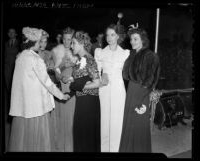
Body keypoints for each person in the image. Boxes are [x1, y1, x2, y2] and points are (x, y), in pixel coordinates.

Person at [8, 27, 70, 152]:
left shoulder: (20, 57)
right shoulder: (35, 59)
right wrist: (61, 96)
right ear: (34, 43)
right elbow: (47, 82)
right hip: (37, 104)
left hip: (24, 104)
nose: (40, 44)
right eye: (38, 42)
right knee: (39, 137)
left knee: (24, 137)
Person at [119, 27, 160, 152]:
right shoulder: (132, 55)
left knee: (139, 127)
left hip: (141, 94)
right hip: (131, 92)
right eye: (131, 39)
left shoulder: (150, 56)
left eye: (136, 39)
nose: (132, 41)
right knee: (129, 125)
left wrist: (142, 102)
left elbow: (151, 81)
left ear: (143, 40)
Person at [94, 24, 130, 152]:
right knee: (105, 122)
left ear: (118, 36)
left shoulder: (125, 54)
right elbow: (96, 72)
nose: (109, 37)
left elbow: (129, 74)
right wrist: (100, 76)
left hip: (119, 91)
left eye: (112, 34)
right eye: (108, 34)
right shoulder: (100, 53)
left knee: (117, 123)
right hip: (104, 89)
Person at [68, 31, 103, 152]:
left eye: (73, 43)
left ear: (81, 43)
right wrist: (71, 89)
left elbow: (97, 83)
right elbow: (81, 80)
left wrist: (78, 85)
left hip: (89, 102)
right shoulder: (80, 60)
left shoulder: (89, 59)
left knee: (85, 135)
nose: (71, 46)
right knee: (80, 133)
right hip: (81, 101)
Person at [50, 27, 77, 152]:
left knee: (73, 118)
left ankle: (72, 146)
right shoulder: (57, 51)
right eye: (65, 39)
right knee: (63, 119)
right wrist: (63, 66)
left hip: (75, 87)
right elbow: (56, 74)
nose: (67, 42)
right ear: (62, 38)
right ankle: (63, 147)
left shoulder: (77, 50)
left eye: (69, 39)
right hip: (63, 87)